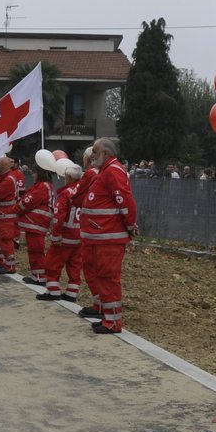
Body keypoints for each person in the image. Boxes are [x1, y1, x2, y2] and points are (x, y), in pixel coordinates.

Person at [80, 138, 137, 334]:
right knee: (102, 277)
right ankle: (107, 318)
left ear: (106, 154)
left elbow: (125, 200)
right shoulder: (107, 171)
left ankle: (112, 322)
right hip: (101, 236)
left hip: (108, 237)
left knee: (108, 278)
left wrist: (130, 225)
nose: (92, 155)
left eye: (95, 151)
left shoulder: (112, 171)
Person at [39, 162, 85, 302]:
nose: (65, 178)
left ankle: (53, 292)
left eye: (66, 176)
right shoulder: (85, 191)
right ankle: (71, 294)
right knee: (75, 265)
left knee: (52, 264)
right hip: (80, 235)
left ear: (70, 177)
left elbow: (59, 215)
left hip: (65, 235)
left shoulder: (66, 193)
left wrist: (56, 234)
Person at [17, 164, 54, 286]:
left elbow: (28, 201)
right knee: (34, 250)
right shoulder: (43, 185)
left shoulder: (43, 186)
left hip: (37, 223)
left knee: (36, 251)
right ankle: (36, 275)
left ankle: (39, 277)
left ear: (40, 173)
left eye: (34, 172)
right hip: (35, 224)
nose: (32, 175)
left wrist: (16, 208)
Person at [0, 154, 22, 274]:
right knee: (3, 241)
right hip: (3, 216)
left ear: (2, 166)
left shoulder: (8, 180)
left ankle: (10, 266)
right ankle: (6, 264)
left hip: (6, 216)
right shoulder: (5, 178)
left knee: (6, 241)